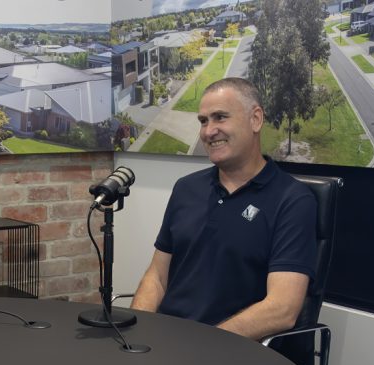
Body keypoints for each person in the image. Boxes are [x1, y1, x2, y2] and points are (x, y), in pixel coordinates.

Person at [130, 78, 317, 342]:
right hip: (167, 343)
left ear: (255, 119)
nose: (208, 131)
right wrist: (139, 330)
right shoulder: (186, 189)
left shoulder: (293, 200)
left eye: (220, 118)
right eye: (203, 121)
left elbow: (282, 309)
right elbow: (158, 277)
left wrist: (204, 343)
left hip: (233, 355)